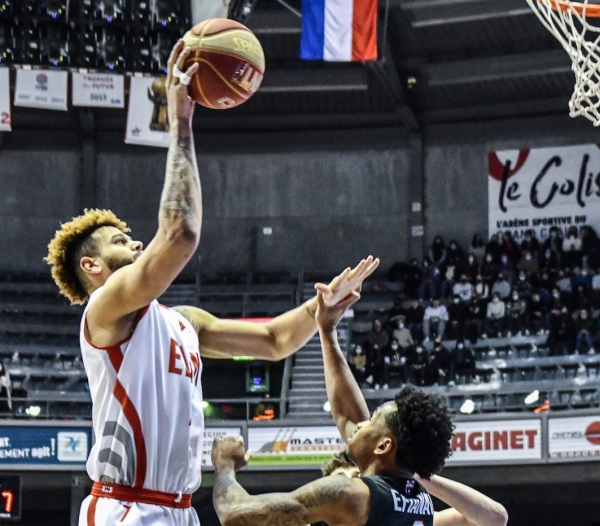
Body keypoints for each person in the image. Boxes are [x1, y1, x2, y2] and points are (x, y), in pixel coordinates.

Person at [46, 40, 380, 526]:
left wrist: (320, 314)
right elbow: (179, 235)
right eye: (119, 241)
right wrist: (180, 126)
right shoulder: (104, 311)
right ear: (93, 267)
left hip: (181, 510)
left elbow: (273, 342)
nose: (135, 244)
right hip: (124, 507)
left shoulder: (184, 323)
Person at [210, 289, 508, 526]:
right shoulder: (417, 503)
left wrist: (224, 467)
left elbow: (236, 516)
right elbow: (496, 519)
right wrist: (327, 333)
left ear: (383, 447)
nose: (361, 424)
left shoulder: (350, 495)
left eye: (373, 420)